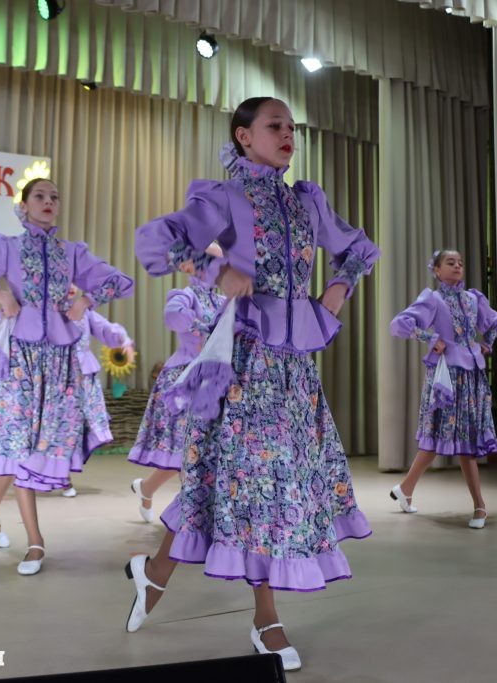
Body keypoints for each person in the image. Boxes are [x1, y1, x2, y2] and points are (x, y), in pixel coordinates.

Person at [125, 96, 379, 672]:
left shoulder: (307, 199)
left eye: (292, 126)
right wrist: (217, 271)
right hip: (245, 361)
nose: (287, 133)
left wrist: (340, 285)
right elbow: (157, 240)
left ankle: (155, 573)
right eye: (274, 126)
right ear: (243, 136)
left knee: (242, 487)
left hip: (293, 367)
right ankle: (267, 618)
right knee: (254, 487)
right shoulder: (225, 196)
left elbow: (360, 249)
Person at [0, 178, 133, 576]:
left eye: (54, 197)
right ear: (24, 205)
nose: (48, 202)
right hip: (18, 361)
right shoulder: (7, 248)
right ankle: (35, 542)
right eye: (39, 196)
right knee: (21, 446)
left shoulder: (72, 253)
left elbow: (119, 282)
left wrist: (86, 299)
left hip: (59, 362)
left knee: (32, 447)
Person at [388, 249, 497, 528]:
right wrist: (431, 338)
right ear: (437, 270)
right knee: (438, 438)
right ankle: (479, 506)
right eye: (450, 263)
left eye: (460, 263)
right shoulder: (433, 298)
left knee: (463, 441)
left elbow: (495, 322)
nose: (457, 266)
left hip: (472, 375)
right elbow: (400, 324)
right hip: (446, 378)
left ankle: (406, 490)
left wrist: (486, 342)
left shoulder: (472, 298)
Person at [127, 275, 225, 521]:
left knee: (195, 451)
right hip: (185, 381)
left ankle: (147, 488)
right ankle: (192, 521)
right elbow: (173, 315)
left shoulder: (225, 300)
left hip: (213, 381)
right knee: (188, 448)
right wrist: (201, 327)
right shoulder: (185, 295)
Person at [61, 309, 134, 498]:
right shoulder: (51, 308)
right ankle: (59, 475)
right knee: (60, 425)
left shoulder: (85, 312)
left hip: (83, 377)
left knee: (78, 425)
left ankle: (63, 474)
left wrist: (122, 340)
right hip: (57, 375)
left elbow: (105, 328)